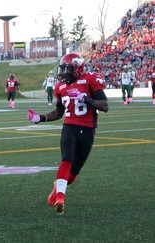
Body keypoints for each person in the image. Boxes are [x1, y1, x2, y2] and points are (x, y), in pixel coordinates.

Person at [27, 53, 109, 215]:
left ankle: (56, 190)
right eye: (62, 68)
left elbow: (105, 106)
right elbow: (58, 113)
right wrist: (40, 118)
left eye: (67, 68)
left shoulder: (91, 80)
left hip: (87, 129)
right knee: (66, 159)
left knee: (73, 173)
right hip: (69, 127)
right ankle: (60, 198)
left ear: (78, 67)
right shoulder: (61, 87)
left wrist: (86, 99)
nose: (63, 72)